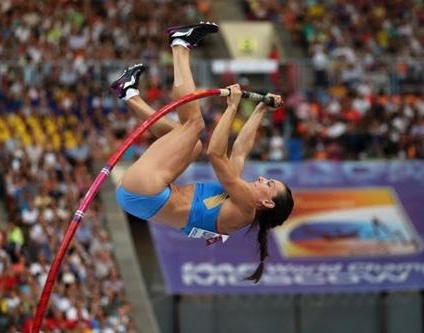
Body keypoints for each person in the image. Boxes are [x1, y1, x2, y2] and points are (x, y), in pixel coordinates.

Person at [111, 22, 294, 283]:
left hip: (147, 192)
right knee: (190, 141)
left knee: (195, 125)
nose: (263, 179)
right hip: (143, 196)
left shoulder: (245, 207)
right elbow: (240, 151)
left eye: (269, 184)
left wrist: (232, 107)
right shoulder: (240, 199)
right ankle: (128, 93)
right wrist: (261, 109)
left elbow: (217, 154)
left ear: (267, 202)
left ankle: (180, 45)